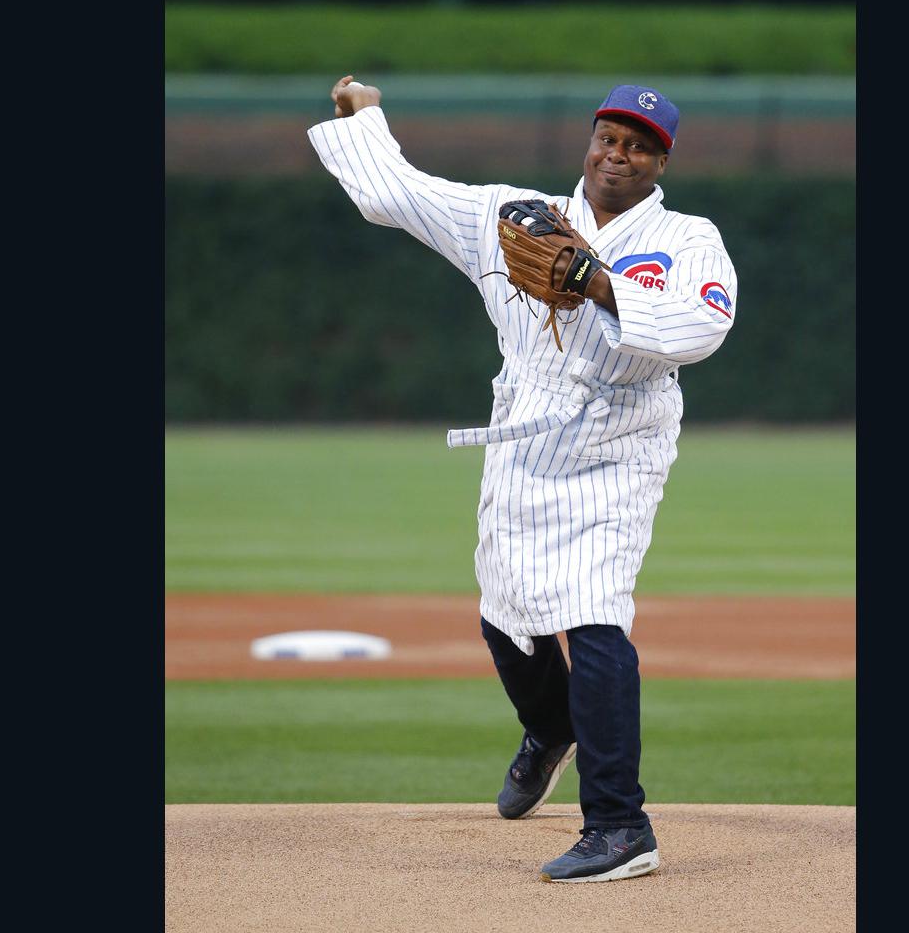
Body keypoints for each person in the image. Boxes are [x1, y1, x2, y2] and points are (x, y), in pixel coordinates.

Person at [307, 75, 737, 883]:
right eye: (609, 138)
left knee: (593, 614)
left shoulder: (687, 237)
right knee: (504, 618)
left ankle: (620, 825)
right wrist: (365, 118)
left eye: (639, 146)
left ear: (659, 162)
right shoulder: (513, 212)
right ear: (591, 143)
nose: (620, 154)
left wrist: (597, 280)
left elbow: (705, 322)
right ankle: (549, 729)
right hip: (522, 437)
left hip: (617, 442)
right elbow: (403, 194)